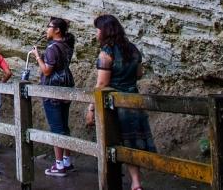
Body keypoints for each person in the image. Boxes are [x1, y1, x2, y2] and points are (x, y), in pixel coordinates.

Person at [85, 14, 156, 190]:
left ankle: (116, 183)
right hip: (134, 100)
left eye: (97, 29)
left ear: (104, 31)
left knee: (115, 144)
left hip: (115, 106)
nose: (96, 33)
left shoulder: (106, 53)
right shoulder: (133, 49)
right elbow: (138, 74)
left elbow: (102, 84)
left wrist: (91, 108)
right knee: (132, 142)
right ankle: (136, 183)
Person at [32, 17, 76, 177]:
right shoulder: (67, 44)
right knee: (64, 125)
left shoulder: (52, 48)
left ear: (57, 30)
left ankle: (59, 166)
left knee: (56, 128)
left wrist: (37, 56)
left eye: (49, 27)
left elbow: (46, 71)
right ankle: (67, 161)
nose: (46, 30)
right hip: (66, 84)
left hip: (53, 89)